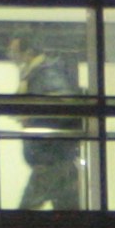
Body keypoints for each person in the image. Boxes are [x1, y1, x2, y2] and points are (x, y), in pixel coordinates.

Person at [7, 33, 82, 211]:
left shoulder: (45, 73)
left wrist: (32, 115)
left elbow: (66, 106)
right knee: (71, 219)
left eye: (14, 52)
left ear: (28, 52)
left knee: (23, 217)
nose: (12, 57)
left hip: (50, 162)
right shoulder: (39, 73)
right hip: (59, 161)